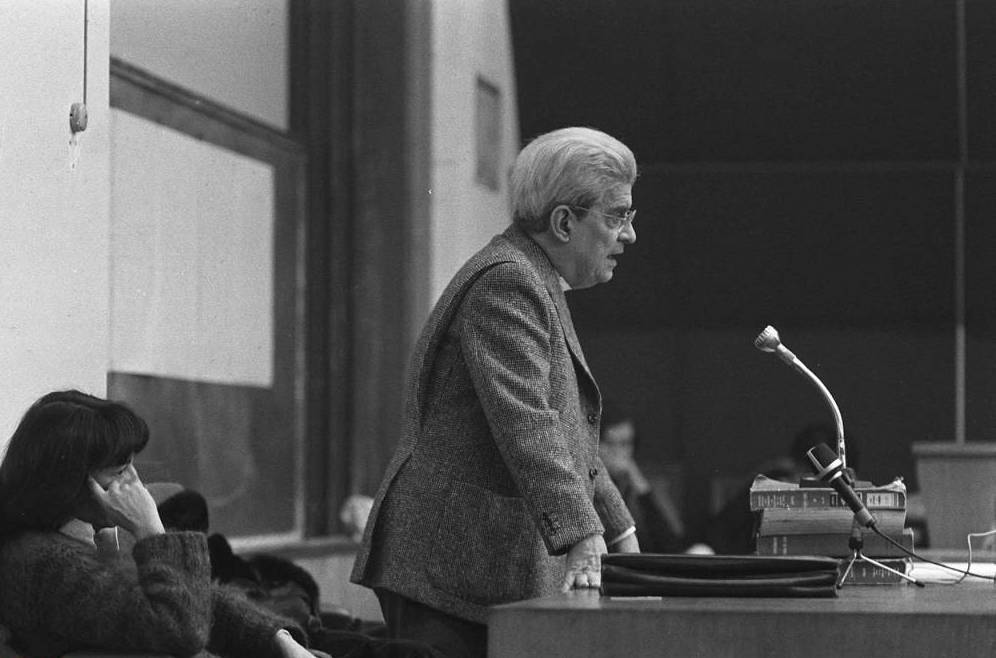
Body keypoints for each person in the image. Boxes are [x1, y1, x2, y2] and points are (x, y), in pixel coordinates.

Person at [351, 126, 641, 657]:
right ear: (563, 221)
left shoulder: (537, 279)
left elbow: (565, 433)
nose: (629, 235)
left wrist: (619, 528)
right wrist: (583, 533)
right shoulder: (508, 282)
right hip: (447, 571)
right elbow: (528, 425)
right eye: (618, 215)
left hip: (474, 565)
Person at [0, 390, 319, 658]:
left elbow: (196, 599)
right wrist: (151, 530)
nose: (135, 484)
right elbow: (181, 627)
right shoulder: (40, 561)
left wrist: (277, 638)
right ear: (68, 481)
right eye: (119, 471)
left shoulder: (88, 531)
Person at [597, 400, 690, 554]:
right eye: (613, 443)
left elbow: (671, 546)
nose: (621, 452)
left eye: (627, 443)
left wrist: (641, 489)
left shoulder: (642, 485)